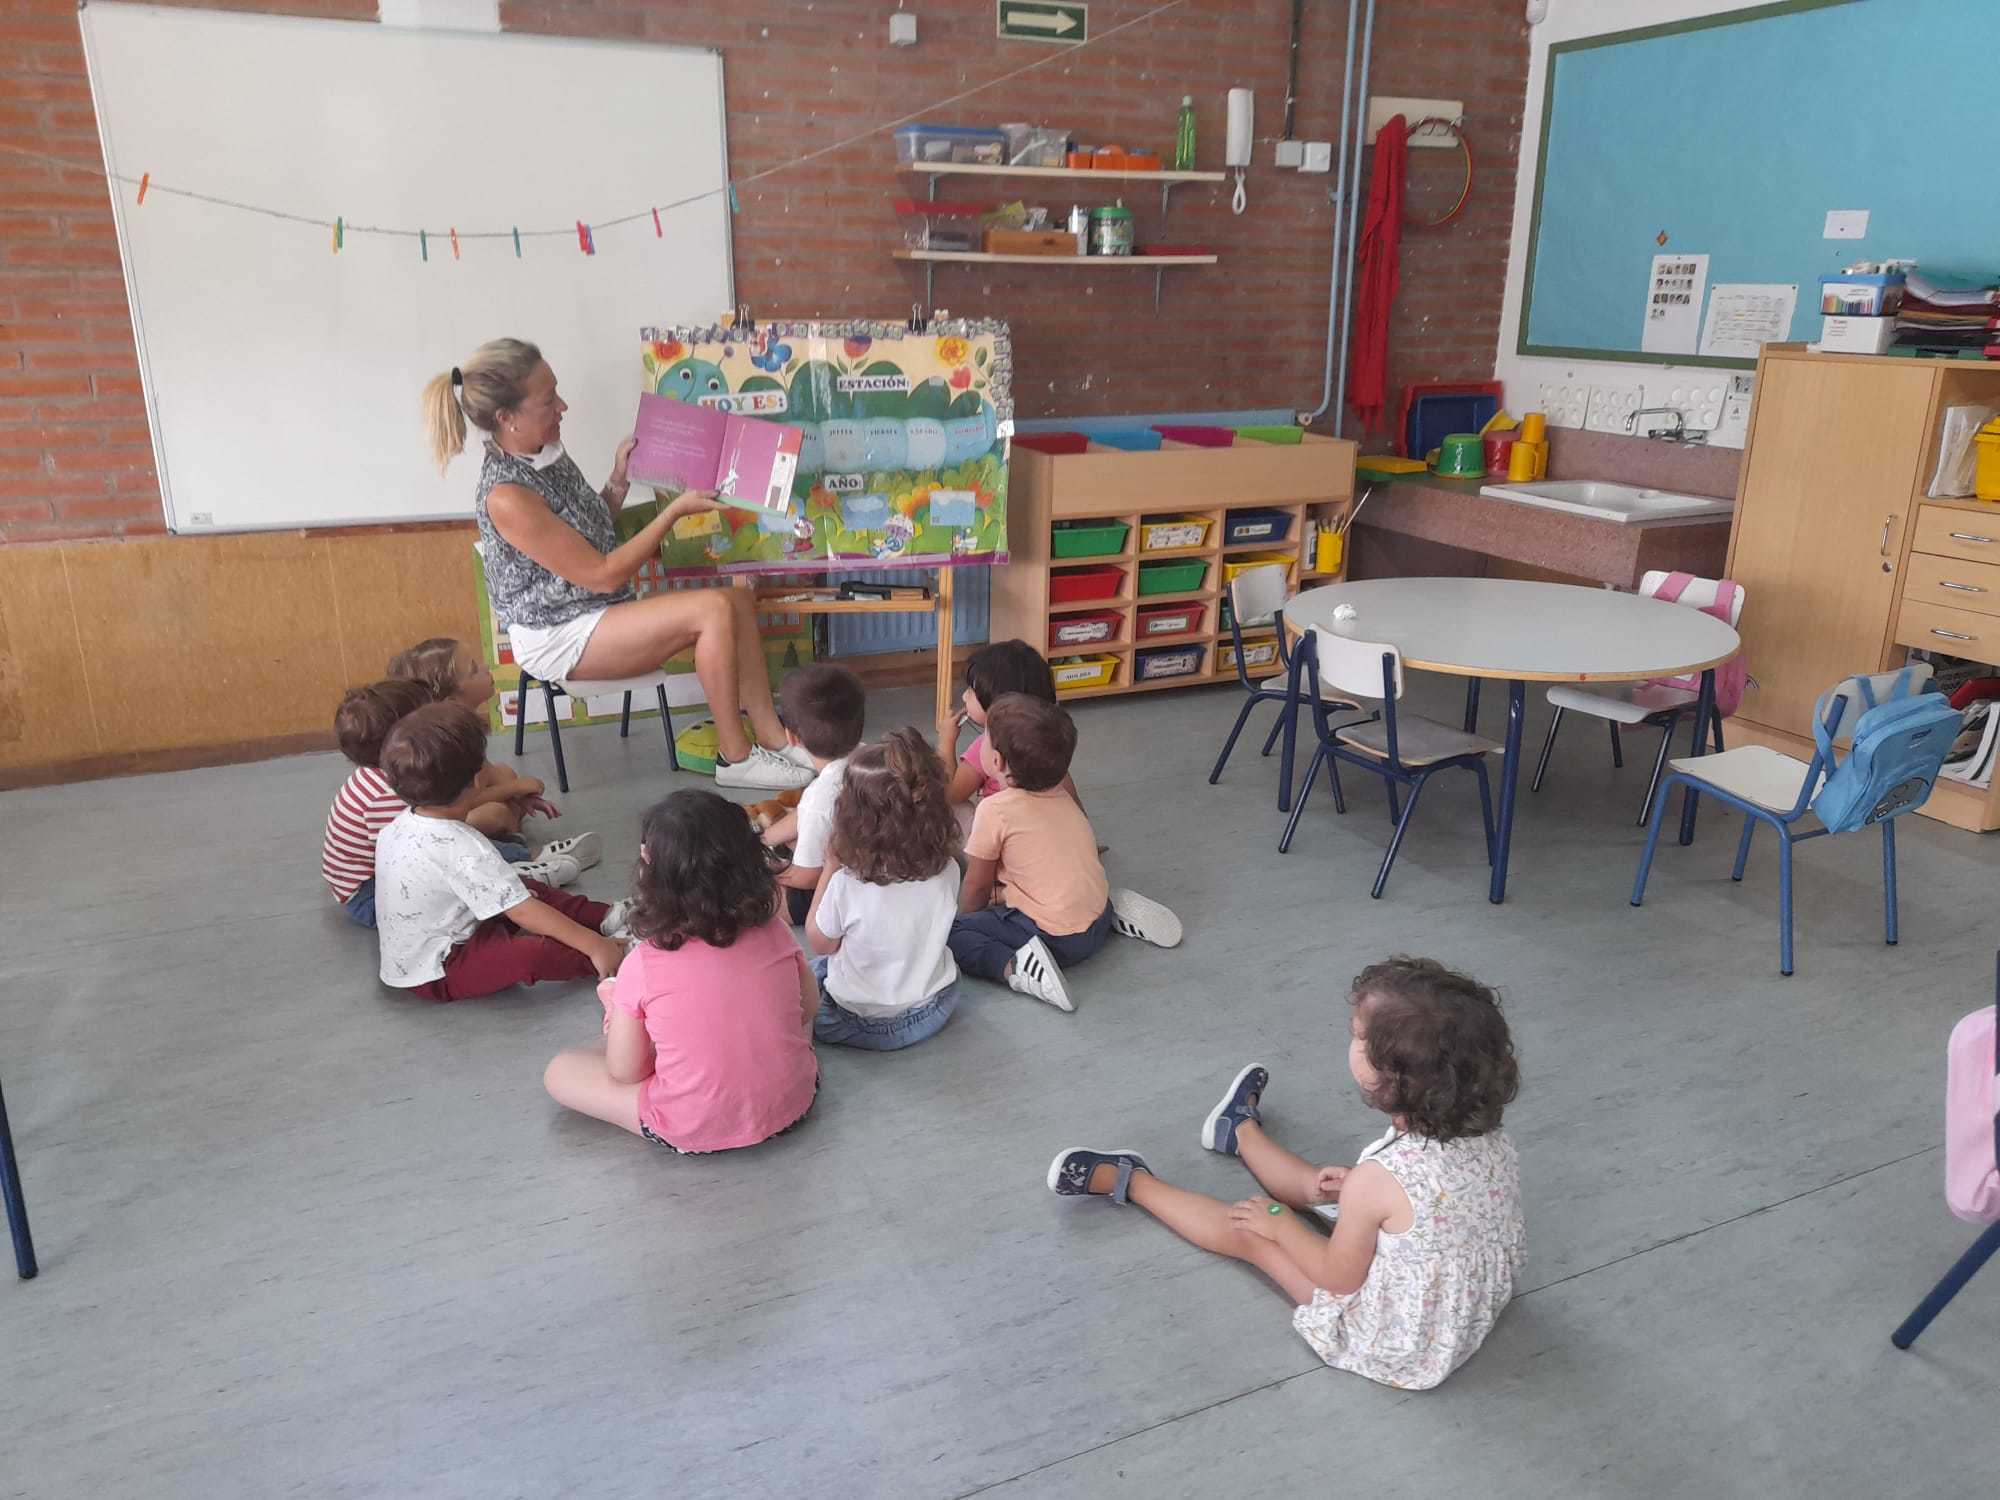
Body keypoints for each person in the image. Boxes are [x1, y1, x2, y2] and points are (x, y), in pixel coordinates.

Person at [1047, 956, 1526, 1391]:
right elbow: (1421, 1201)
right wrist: (1359, 1193)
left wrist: (1277, 1221)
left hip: (1397, 1337)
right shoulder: (1484, 1133)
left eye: (1358, 1036)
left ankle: (1131, 1180)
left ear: (1389, 1077)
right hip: (1460, 1303)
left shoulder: (1380, 1181)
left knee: (1254, 1233)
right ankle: (1239, 1132)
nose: (1351, 1040)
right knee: (1325, 1189)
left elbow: (1339, 1279)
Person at [422, 337, 809, 791]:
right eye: (548, 400)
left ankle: (772, 738)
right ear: (507, 418)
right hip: (558, 634)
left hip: (593, 608)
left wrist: (618, 479)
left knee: (737, 601)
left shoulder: (545, 453)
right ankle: (736, 757)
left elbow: (589, 533)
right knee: (714, 609)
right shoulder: (507, 494)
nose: (562, 407)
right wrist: (673, 512)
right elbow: (603, 574)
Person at [542, 790, 819, 1152]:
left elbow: (626, 1072)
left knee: (560, 1071)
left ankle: (627, 1024)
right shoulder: (776, 930)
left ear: (647, 862)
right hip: (794, 1102)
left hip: (693, 1125)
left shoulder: (644, 961)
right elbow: (809, 1008)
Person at [374, 703, 628, 1001]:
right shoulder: (465, 847)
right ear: (476, 779)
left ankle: (608, 916)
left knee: (521, 887)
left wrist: (513, 799)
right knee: (528, 954)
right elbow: (522, 912)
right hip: (439, 969)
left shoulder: (398, 825)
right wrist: (593, 945)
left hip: (437, 940)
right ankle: (616, 955)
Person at [948, 695, 1178, 1011]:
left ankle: (1017, 967)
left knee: (951, 934)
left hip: (1054, 941)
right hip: (1096, 920)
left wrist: (970, 920)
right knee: (1056, 892)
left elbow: (976, 886)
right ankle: (1111, 912)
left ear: (997, 762)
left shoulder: (994, 810)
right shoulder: (1062, 793)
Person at [321, 678, 579, 929]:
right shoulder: (385, 795)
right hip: (373, 897)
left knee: (463, 840)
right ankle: (523, 866)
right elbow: (433, 849)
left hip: (385, 875)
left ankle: (518, 862)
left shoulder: (394, 774)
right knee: (459, 849)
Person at [804, 728, 963, 1051]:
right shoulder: (950, 868)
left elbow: (820, 943)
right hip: (934, 1008)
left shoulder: (846, 883)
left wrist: (830, 867)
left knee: (806, 974)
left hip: (856, 1022)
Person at [386, 635, 601, 873]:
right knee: (496, 814)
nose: (486, 667)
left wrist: (518, 794)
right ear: (452, 701)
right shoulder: (446, 742)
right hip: (435, 831)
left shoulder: (460, 727)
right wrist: (515, 789)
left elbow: (486, 773)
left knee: (504, 774)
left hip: (452, 813)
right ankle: (523, 859)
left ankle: (507, 840)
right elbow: (467, 800)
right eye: (473, 670)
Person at [761, 665, 867, 924]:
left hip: (841, 888)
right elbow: (805, 813)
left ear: (791, 737)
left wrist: (770, 875)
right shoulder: (870, 758)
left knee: (755, 897)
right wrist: (764, 838)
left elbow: (808, 877)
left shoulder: (819, 798)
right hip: (881, 867)